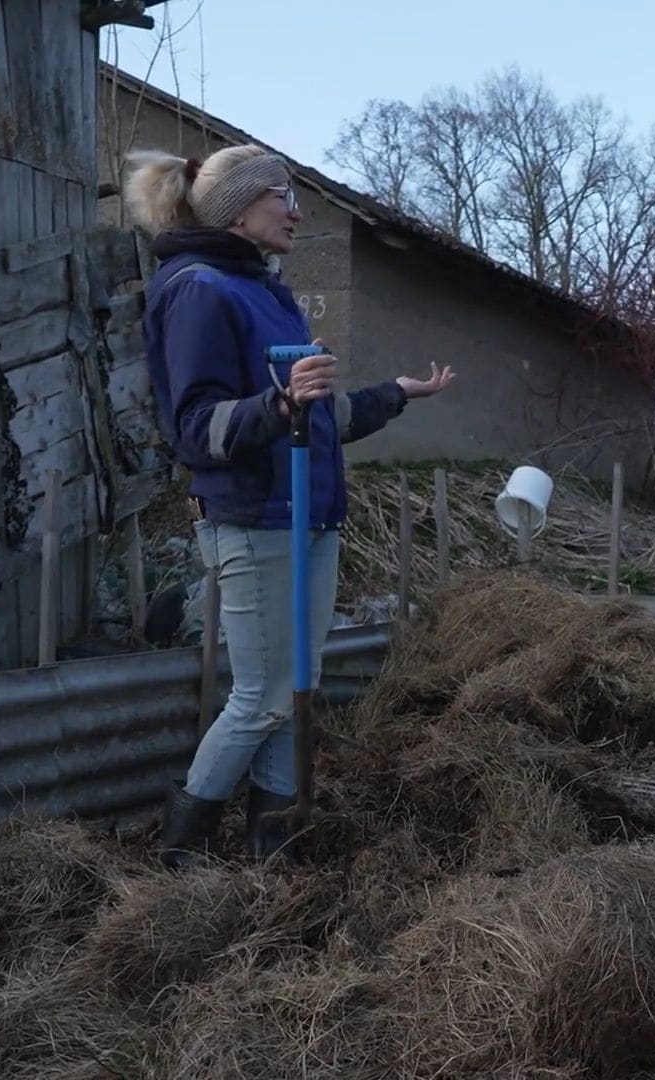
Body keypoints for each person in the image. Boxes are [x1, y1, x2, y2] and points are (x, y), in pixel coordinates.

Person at [122, 143, 456, 866]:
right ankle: (181, 850)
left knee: (295, 686)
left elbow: (314, 415)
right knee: (262, 696)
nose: (298, 213)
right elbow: (196, 428)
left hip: (310, 515)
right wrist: (278, 404)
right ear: (240, 208)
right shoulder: (199, 290)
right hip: (255, 518)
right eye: (284, 196)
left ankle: (274, 847)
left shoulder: (264, 291)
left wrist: (395, 394)